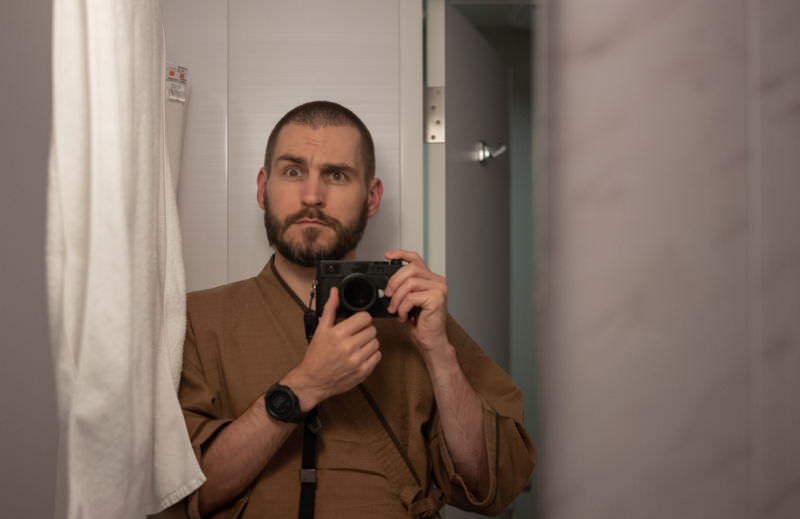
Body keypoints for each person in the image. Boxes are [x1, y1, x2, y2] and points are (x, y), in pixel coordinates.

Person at [177, 101, 535, 519]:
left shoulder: (415, 318)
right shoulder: (199, 322)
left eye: (337, 175)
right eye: (293, 171)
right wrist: (304, 387)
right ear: (262, 188)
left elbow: (490, 482)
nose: (312, 196)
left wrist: (439, 353)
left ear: (371, 197)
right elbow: (184, 492)